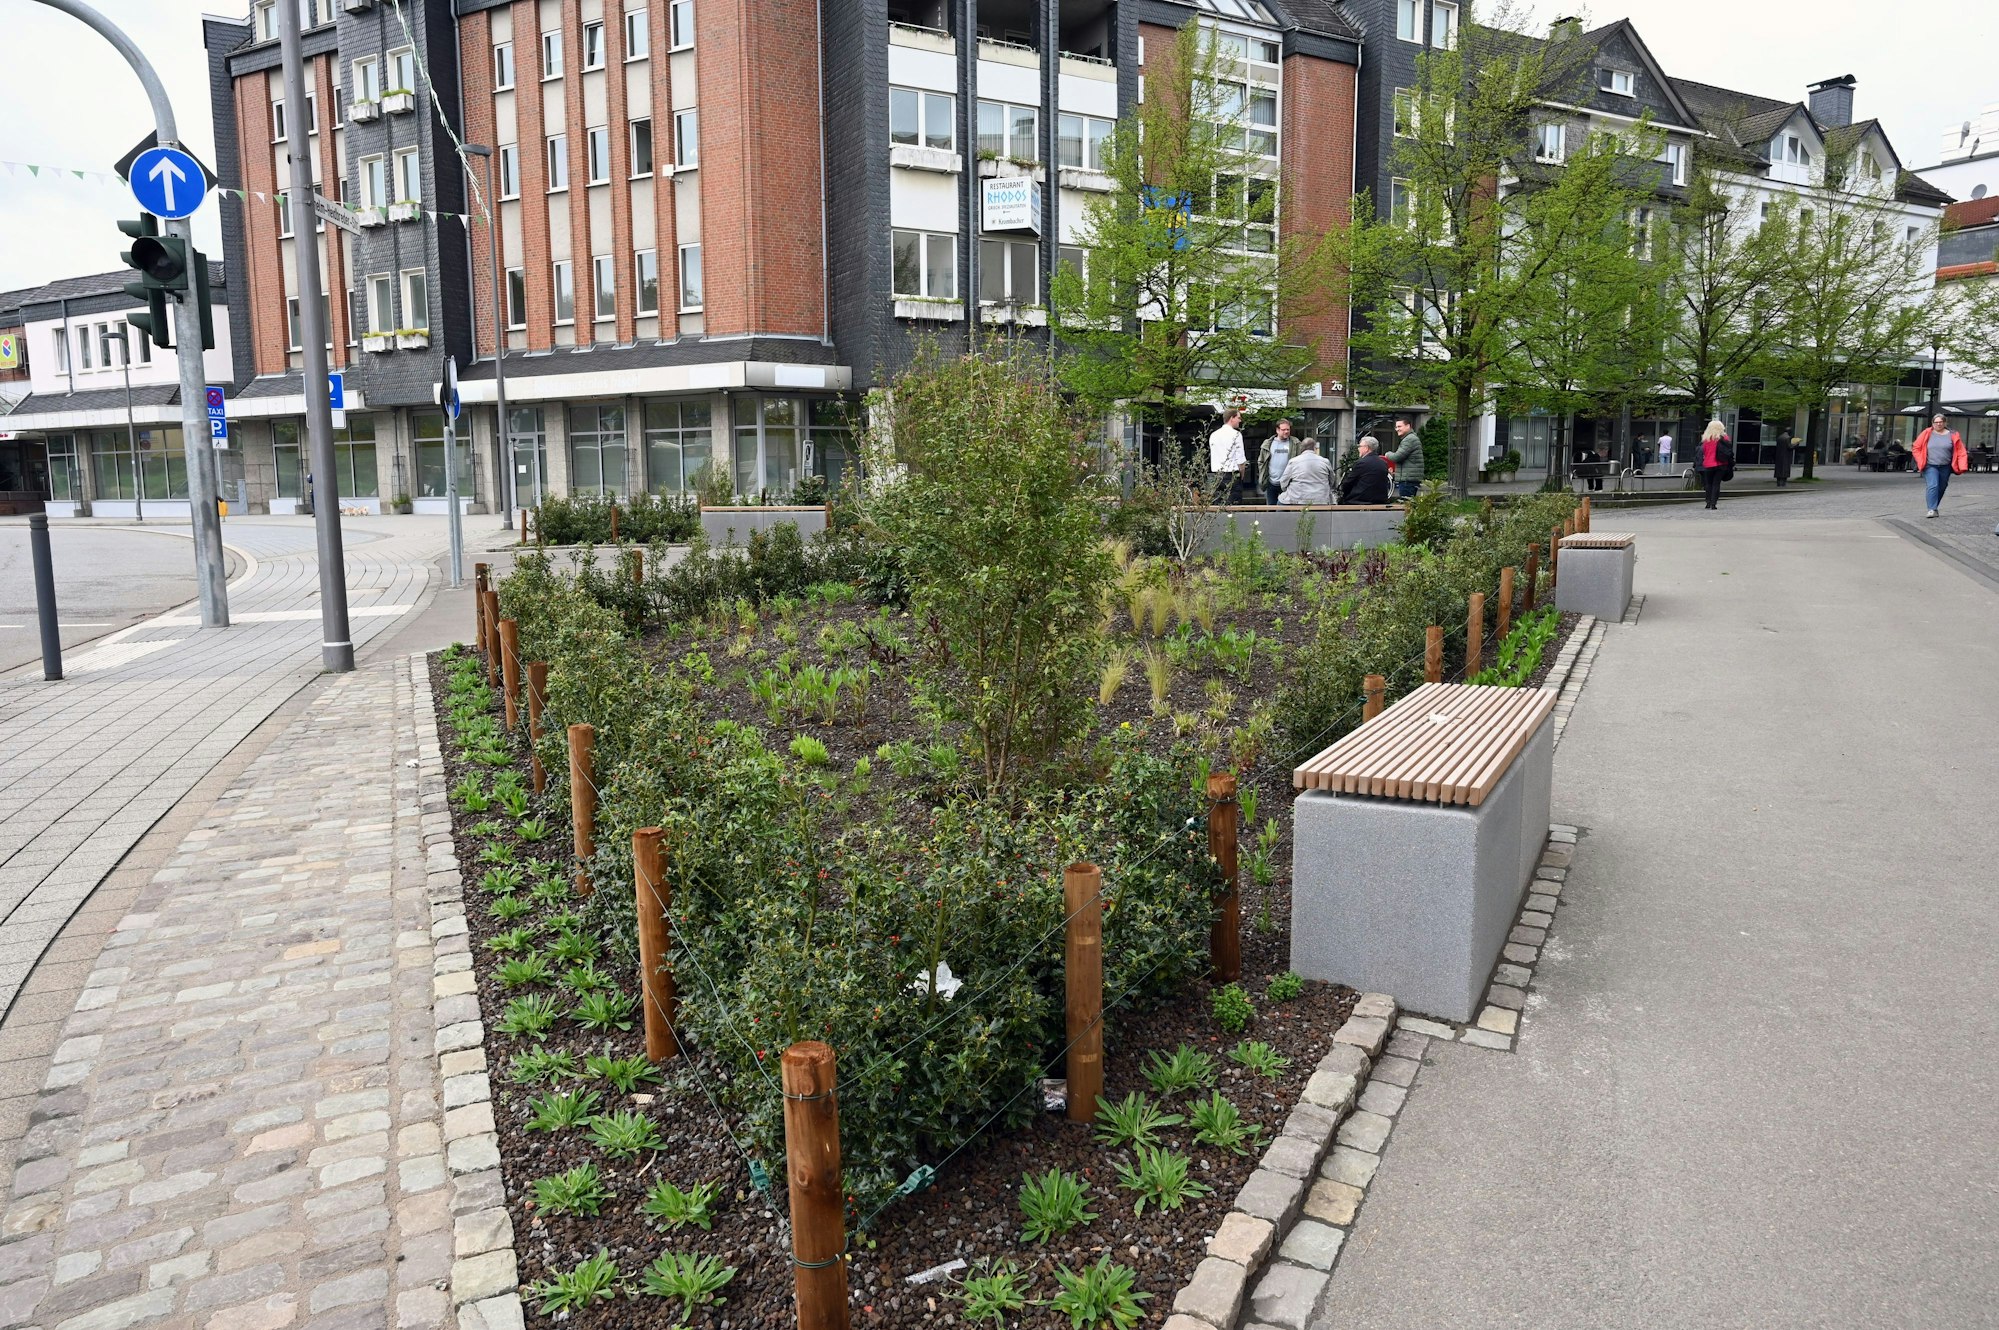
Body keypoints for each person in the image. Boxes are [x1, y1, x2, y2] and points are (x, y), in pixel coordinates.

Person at [1913, 412, 1968, 518]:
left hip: (1945, 466)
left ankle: (1934, 508)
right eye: (1936, 422)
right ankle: (1931, 509)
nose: (1938, 424)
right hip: (1930, 465)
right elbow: (1916, 447)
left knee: (1942, 487)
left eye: (1941, 422)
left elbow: (1961, 451)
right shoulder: (1927, 433)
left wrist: (1962, 465)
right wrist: (1920, 461)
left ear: (1944, 422)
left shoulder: (1953, 434)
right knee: (1933, 485)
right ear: (1932, 423)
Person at [1278, 436, 1334, 505]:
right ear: (1315, 448)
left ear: (1302, 449)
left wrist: (1286, 489)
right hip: (1321, 500)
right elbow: (1331, 481)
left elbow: (1283, 482)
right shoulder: (1325, 462)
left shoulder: (1293, 462)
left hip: (1298, 499)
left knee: (1280, 502)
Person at [1338, 437, 1392, 505]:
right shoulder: (1383, 463)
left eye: (1360, 446)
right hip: (1380, 500)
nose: (1358, 449)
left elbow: (1348, 483)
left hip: (1360, 500)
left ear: (1366, 448)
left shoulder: (1361, 463)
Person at [1208, 409, 1247, 503]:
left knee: (1217, 507)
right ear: (1232, 418)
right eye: (1238, 418)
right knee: (1234, 507)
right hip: (1232, 475)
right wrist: (1241, 475)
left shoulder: (1214, 435)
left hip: (1216, 475)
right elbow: (1240, 460)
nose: (1240, 420)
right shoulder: (1236, 434)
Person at [1697, 419, 1733, 510]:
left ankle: (1708, 502)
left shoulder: (1706, 439)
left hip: (1708, 464)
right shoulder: (1724, 438)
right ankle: (1714, 503)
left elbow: (1703, 452)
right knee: (1716, 484)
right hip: (1721, 464)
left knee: (1708, 484)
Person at [1258, 418, 1295, 505]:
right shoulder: (1268, 444)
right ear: (1277, 430)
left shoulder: (1295, 444)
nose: (1286, 432)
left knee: (1287, 510)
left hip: (1288, 483)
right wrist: (1263, 477)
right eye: (1283, 429)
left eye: (1288, 429)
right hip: (1271, 482)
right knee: (1271, 509)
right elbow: (1261, 461)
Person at [1386, 416, 1425, 498]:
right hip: (1409, 479)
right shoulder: (1409, 438)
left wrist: (1387, 454)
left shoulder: (1409, 439)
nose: (1397, 429)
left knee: (1406, 505)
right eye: (1396, 427)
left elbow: (1397, 457)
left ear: (1408, 426)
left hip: (1408, 481)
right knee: (1408, 506)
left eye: (1399, 426)